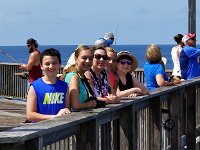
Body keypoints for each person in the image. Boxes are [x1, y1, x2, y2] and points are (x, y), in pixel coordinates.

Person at [26, 48, 71, 122]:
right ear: (41, 66)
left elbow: (67, 108)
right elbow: (30, 115)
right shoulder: (34, 87)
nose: (51, 66)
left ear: (59, 64)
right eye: (47, 64)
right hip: (41, 130)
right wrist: (55, 117)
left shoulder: (65, 86)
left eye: (54, 63)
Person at [64, 45, 97, 110]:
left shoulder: (81, 76)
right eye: (84, 58)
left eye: (90, 58)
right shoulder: (74, 77)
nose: (88, 61)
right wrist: (89, 104)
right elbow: (75, 105)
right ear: (76, 59)